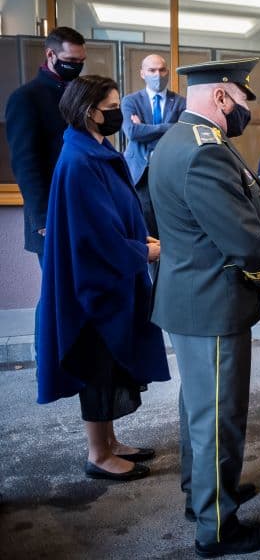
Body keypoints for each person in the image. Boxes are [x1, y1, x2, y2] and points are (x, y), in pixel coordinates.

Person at [149, 58, 260, 557]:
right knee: (218, 417)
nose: (246, 111)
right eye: (243, 101)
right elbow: (244, 241)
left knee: (199, 408)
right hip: (212, 303)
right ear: (222, 98)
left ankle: (203, 494)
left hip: (193, 297)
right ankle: (217, 528)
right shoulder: (204, 152)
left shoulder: (176, 140)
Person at [37, 74, 170, 482]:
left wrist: (135, 236)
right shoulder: (79, 161)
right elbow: (93, 234)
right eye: (111, 107)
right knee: (96, 366)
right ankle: (98, 454)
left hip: (109, 279)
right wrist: (139, 251)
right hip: (93, 288)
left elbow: (112, 211)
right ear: (88, 111)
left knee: (110, 365)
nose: (117, 113)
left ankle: (110, 441)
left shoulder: (94, 149)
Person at [6, 26, 86, 357]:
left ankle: (73, 353)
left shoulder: (78, 93)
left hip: (81, 208)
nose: (77, 66)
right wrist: (42, 218)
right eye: (70, 60)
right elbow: (26, 165)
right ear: (50, 54)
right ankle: (47, 358)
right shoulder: (26, 98)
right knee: (55, 288)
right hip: (51, 214)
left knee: (77, 285)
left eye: (81, 60)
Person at [121, 54, 186, 238]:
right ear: (142, 73)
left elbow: (181, 134)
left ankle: (166, 265)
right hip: (141, 174)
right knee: (145, 230)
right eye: (152, 70)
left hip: (169, 172)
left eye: (162, 69)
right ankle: (151, 266)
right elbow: (132, 132)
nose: (158, 74)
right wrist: (168, 127)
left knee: (170, 226)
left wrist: (145, 129)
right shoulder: (130, 101)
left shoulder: (181, 102)